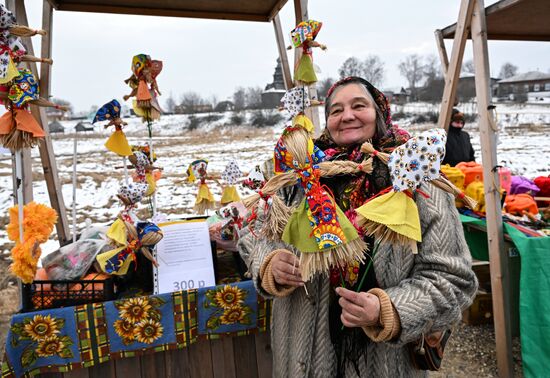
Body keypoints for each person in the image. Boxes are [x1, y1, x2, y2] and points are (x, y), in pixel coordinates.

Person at [238, 77, 477, 377]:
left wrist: (388, 309)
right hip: (300, 362)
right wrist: (268, 263)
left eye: (359, 105)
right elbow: (252, 232)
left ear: (379, 112)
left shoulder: (416, 178)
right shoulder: (297, 174)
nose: (347, 115)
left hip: (385, 365)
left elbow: (454, 280)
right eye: (336, 110)